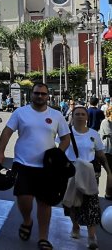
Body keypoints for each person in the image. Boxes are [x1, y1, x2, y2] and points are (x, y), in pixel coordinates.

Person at [0, 83, 71, 250]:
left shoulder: (56, 115)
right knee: (24, 199)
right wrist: (0, 151)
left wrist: (57, 154)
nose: (40, 96)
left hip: (47, 168)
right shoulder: (20, 112)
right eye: (37, 93)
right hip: (23, 163)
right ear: (32, 95)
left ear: (48, 96)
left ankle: (43, 238)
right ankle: (27, 220)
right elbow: (7, 132)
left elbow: (65, 138)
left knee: (44, 203)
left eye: (43, 94)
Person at [63, 105, 111, 249]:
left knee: (91, 204)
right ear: (72, 116)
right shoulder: (66, 134)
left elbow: (101, 155)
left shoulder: (93, 134)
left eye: (83, 114)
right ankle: (75, 226)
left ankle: (91, 236)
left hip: (89, 173)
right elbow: (59, 152)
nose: (80, 116)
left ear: (87, 117)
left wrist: (109, 172)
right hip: (70, 172)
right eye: (76, 114)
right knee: (71, 203)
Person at [100, 108, 112, 200]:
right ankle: (108, 193)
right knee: (110, 172)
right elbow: (109, 133)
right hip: (107, 150)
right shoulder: (105, 122)